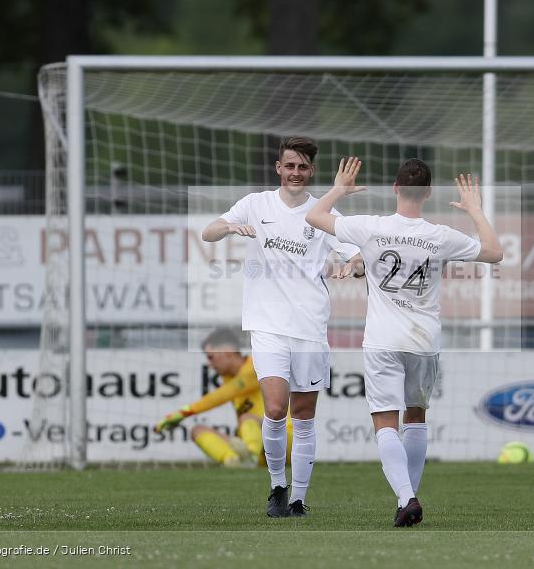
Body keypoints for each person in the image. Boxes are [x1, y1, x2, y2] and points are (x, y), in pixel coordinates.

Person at [305, 157, 503, 527]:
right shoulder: (441, 235)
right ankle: (406, 499)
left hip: (382, 340)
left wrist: (339, 189)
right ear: (428, 193)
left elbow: (314, 216)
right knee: (416, 417)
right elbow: (494, 252)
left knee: (385, 422)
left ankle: (406, 497)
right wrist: (475, 210)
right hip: (424, 340)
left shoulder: (371, 228)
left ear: (395, 187)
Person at [201, 136, 362, 518]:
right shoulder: (255, 204)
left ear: (311, 172)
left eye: (302, 167)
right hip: (267, 325)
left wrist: (351, 267)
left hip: (309, 326)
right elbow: (209, 231)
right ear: (278, 168)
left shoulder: (321, 214)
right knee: (274, 409)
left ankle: (300, 498)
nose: (295, 173)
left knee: (304, 415)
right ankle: (276, 486)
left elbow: (358, 257)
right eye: (289, 166)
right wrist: (227, 229)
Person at [153, 328, 291, 467]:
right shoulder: (228, 377)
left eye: (211, 357)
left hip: (286, 442)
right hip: (259, 450)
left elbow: (223, 395)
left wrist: (185, 412)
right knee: (197, 430)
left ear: (227, 351)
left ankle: (250, 457)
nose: (209, 363)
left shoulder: (255, 367)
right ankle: (234, 461)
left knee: (247, 418)